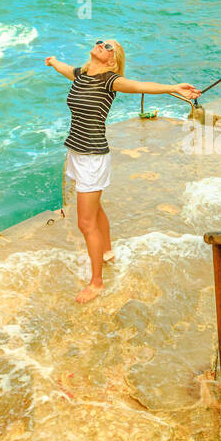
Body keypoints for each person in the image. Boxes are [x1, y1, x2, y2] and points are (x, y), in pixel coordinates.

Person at [44, 39, 200, 302]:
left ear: (112, 60)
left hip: (92, 157)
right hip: (76, 152)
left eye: (108, 47)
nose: (101, 46)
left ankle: (96, 283)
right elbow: (65, 69)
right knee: (96, 209)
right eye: (100, 43)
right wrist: (52, 62)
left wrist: (174, 87)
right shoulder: (81, 75)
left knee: (85, 222)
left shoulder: (110, 80)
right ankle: (106, 250)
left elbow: (142, 86)